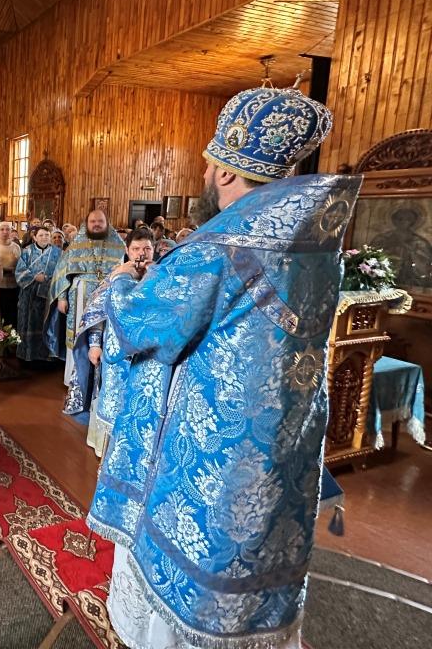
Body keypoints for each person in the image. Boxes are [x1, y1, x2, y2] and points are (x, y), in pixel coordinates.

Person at [86, 87, 361, 649]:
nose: (207, 172)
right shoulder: (317, 245)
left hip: (215, 444)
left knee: (197, 567)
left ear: (229, 171)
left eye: (210, 163)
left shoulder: (220, 244)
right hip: (283, 439)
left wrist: (117, 287)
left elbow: (145, 323)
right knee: (260, 554)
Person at [75, 227, 155, 456]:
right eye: (136, 249)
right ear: (127, 250)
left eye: (147, 248)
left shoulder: (160, 278)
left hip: (148, 355)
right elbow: (95, 314)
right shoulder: (116, 275)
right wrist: (94, 345)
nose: (141, 254)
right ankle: (106, 450)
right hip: (116, 352)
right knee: (113, 396)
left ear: (154, 250)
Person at [45, 209, 126, 415]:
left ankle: (102, 381)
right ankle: (74, 380)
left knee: (105, 336)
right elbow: (62, 271)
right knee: (78, 335)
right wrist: (62, 297)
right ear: (86, 223)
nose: (96, 224)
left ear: (107, 222)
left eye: (100, 221)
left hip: (108, 294)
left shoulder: (118, 245)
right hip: (80, 293)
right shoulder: (77, 243)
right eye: (93, 221)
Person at [15, 227, 61, 362]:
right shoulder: (27, 252)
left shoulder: (58, 253)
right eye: (41, 235)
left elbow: (62, 271)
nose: (44, 237)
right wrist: (34, 276)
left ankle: (47, 357)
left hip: (50, 294)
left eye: (47, 235)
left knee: (48, 324)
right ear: (35, 237)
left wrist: (50, 280)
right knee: (29, 323)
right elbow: (19, 271)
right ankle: (28, 355)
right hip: (30, 295)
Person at [0, 222, 22, 327]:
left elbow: (21, 266)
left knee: (11, 314)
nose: (5, 232)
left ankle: (11, 335)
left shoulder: (16, 247)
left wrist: (13, 270)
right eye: (2, 229)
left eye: (7, 229)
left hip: (13, 285)